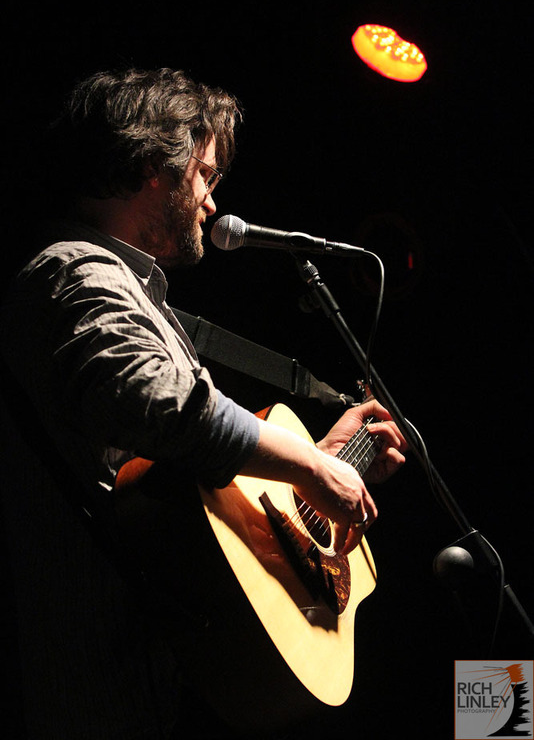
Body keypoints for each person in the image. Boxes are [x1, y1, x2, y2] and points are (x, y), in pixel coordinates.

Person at [0, 68, 406, 740]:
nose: (213, 202)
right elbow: (163, 406)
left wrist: (317, 459)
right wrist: (308, 465)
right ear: (153, 165)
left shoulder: (124, 290)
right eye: (206, 175)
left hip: (153, 667)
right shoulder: (73, 271)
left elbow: (179, 474)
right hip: (99, 680)